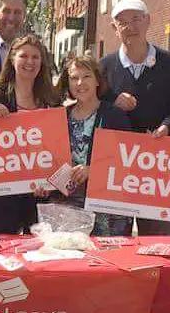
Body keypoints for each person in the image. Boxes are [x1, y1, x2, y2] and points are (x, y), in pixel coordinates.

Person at [99, 0, 170, 235]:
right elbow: (90, 102)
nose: (131, 26)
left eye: (137, 19)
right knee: (115, 238)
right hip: (116, 167)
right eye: (123, 22)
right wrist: (111, 100)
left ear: (148, 21)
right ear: (114, 29)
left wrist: (167, 127)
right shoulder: (105, 66)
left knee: (157, 239)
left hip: (155, 167)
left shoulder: (167, 62)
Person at [0, 34, 59, 234]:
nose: (30, 62)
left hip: (35, 197)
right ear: (12, 59)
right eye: (24, 56)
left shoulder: (51, 102)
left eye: (36, 57)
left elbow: (58, 152)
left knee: (34, 256)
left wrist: (51, 184)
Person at [53, 55, 132, 236]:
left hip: (106, 210)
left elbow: (128, 162)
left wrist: (93, 170)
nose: (80, 83)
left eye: (86, 76)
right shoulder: (60, 116)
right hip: (67, 208)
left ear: (97, 80)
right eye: (74, 78)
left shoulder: (115, 115)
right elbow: (49, 159)